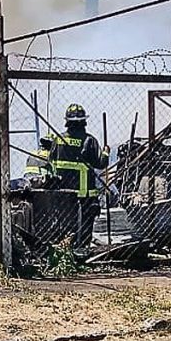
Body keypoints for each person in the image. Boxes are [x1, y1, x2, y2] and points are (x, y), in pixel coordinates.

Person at [49, 104, 110, 247]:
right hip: (85, 193)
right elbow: (100, 163)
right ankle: (82, 249)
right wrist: (106, 152)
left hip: (63, 191)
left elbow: (51, 160)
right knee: (85, 225)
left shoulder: (58, 139)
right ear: (84, 121)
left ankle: (65, 249)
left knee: (65, 223)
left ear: (67, 121)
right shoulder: (90, 141)